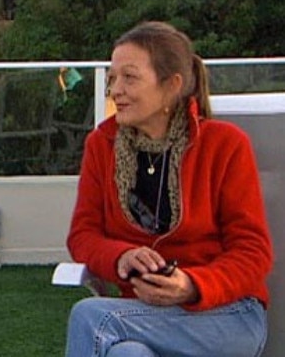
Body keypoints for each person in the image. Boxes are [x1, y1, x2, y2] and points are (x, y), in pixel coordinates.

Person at [64, 21, 273, 357]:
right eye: (112, 78)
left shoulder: (225, 145)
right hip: (143, 313)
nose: (115, 89)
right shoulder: (102, 146)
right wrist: (121, 256)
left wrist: (191, 286)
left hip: (227, 317)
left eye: (129, 77)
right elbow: (83, 236)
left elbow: (253, 253)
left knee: (91, 317)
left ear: (171, 86)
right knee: (126, 354)